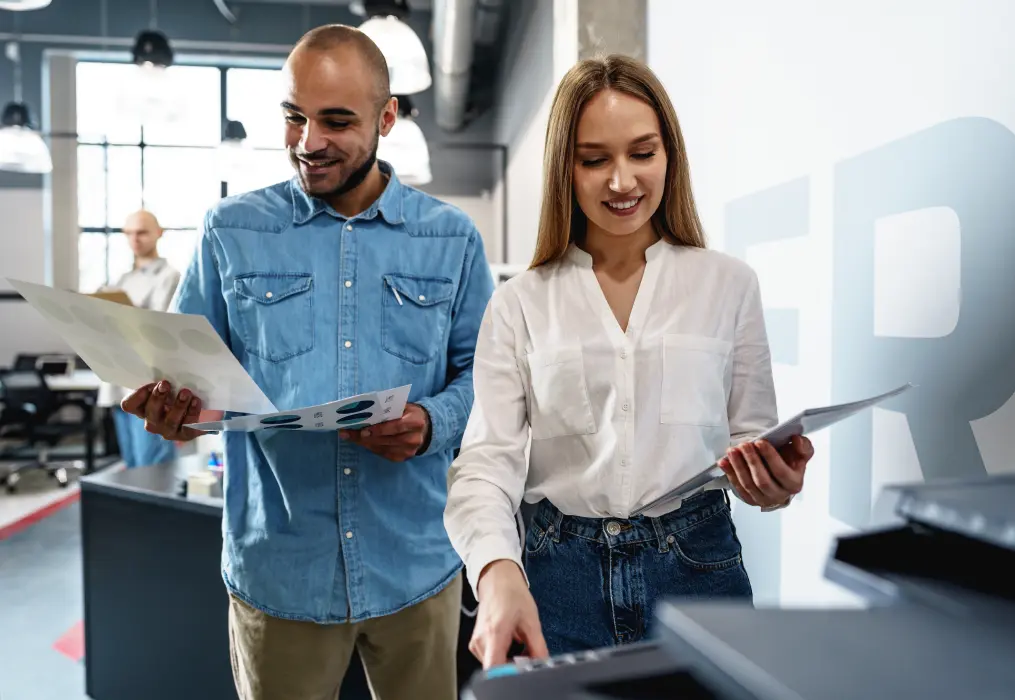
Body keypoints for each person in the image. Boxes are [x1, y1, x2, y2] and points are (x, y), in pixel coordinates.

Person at [119, 25, 494, 700]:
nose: (307, 142)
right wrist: (176, 413)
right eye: (294, 116)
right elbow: (188, 376)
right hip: (280, 572)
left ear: (386, 118)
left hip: (415, 565)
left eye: (336, 121)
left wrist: (433, 421)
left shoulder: (451, 239)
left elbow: (487, 378)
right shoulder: (229, 231)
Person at [444, 54, 816, 667]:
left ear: (670, 155)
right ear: (566, 167)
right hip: (554, 578)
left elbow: (752, 437)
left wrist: (773, 484)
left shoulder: (730, 285)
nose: (621, 181)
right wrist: (496, 571)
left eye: (642, 153)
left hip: (699, 570)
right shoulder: (518, 304)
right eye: (595, 160)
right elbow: (485, 466)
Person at [96, 209, 180, 468]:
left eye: (142, 232)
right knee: (132, 466)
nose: (135, 239)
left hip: (147, 385)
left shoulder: (170, 277)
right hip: (117, 380)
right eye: (129, 233)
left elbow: (158, 328)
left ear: (159, 233)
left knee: (153, 467)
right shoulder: (121, 279)